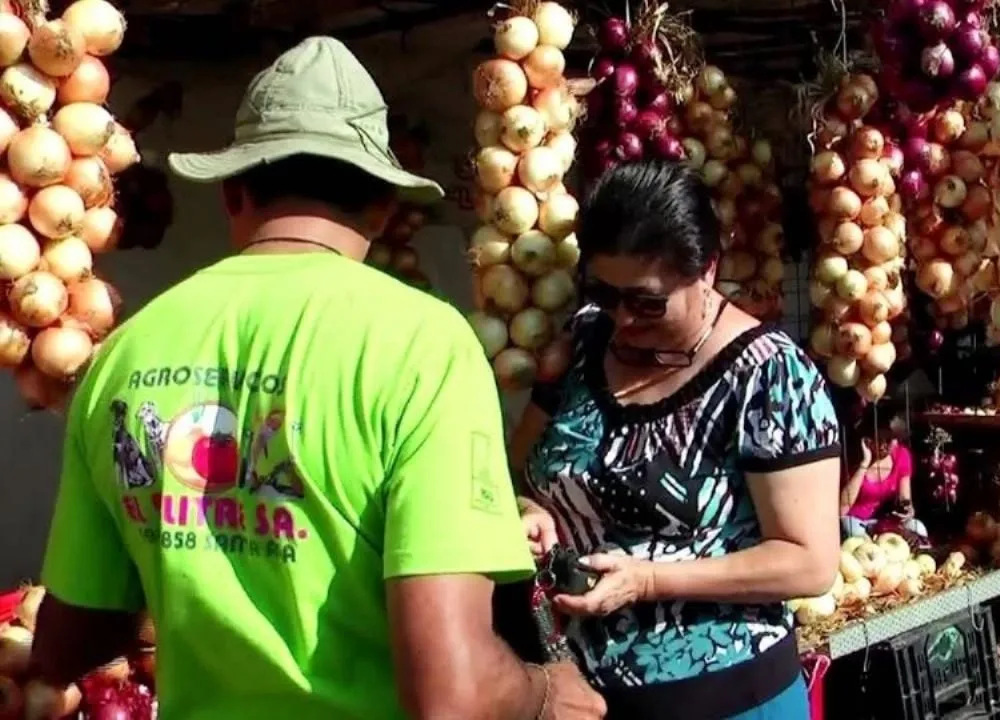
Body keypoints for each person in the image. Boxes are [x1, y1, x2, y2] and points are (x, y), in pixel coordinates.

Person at [29, 36, 605, 720]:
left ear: (233, 190)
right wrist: (549, 693)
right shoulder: (424, 344)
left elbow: (63, 646)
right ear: (384, 205)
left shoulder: (126, 350)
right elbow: (451, 693)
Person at [507, 160, 842, 720]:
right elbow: (517, 469)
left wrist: (648, 580)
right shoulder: (585, 340)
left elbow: (808, 562)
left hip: (726, 702)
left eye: (646, 301)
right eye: (605, 293)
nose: (623, 318)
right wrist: (527, 509)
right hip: (578, 696)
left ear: (707, 269)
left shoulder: (769, 375)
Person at [838, 409, 927, 540]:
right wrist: (865, 463)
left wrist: (907, 511)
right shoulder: (854, 458)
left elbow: (905, 499)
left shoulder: (902, 456)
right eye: (878, 439)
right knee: (854, 532)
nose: (883, 446)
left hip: (882, 522)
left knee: (917, 528)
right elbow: (842, 510)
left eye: (889, 440)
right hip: (854, 521)